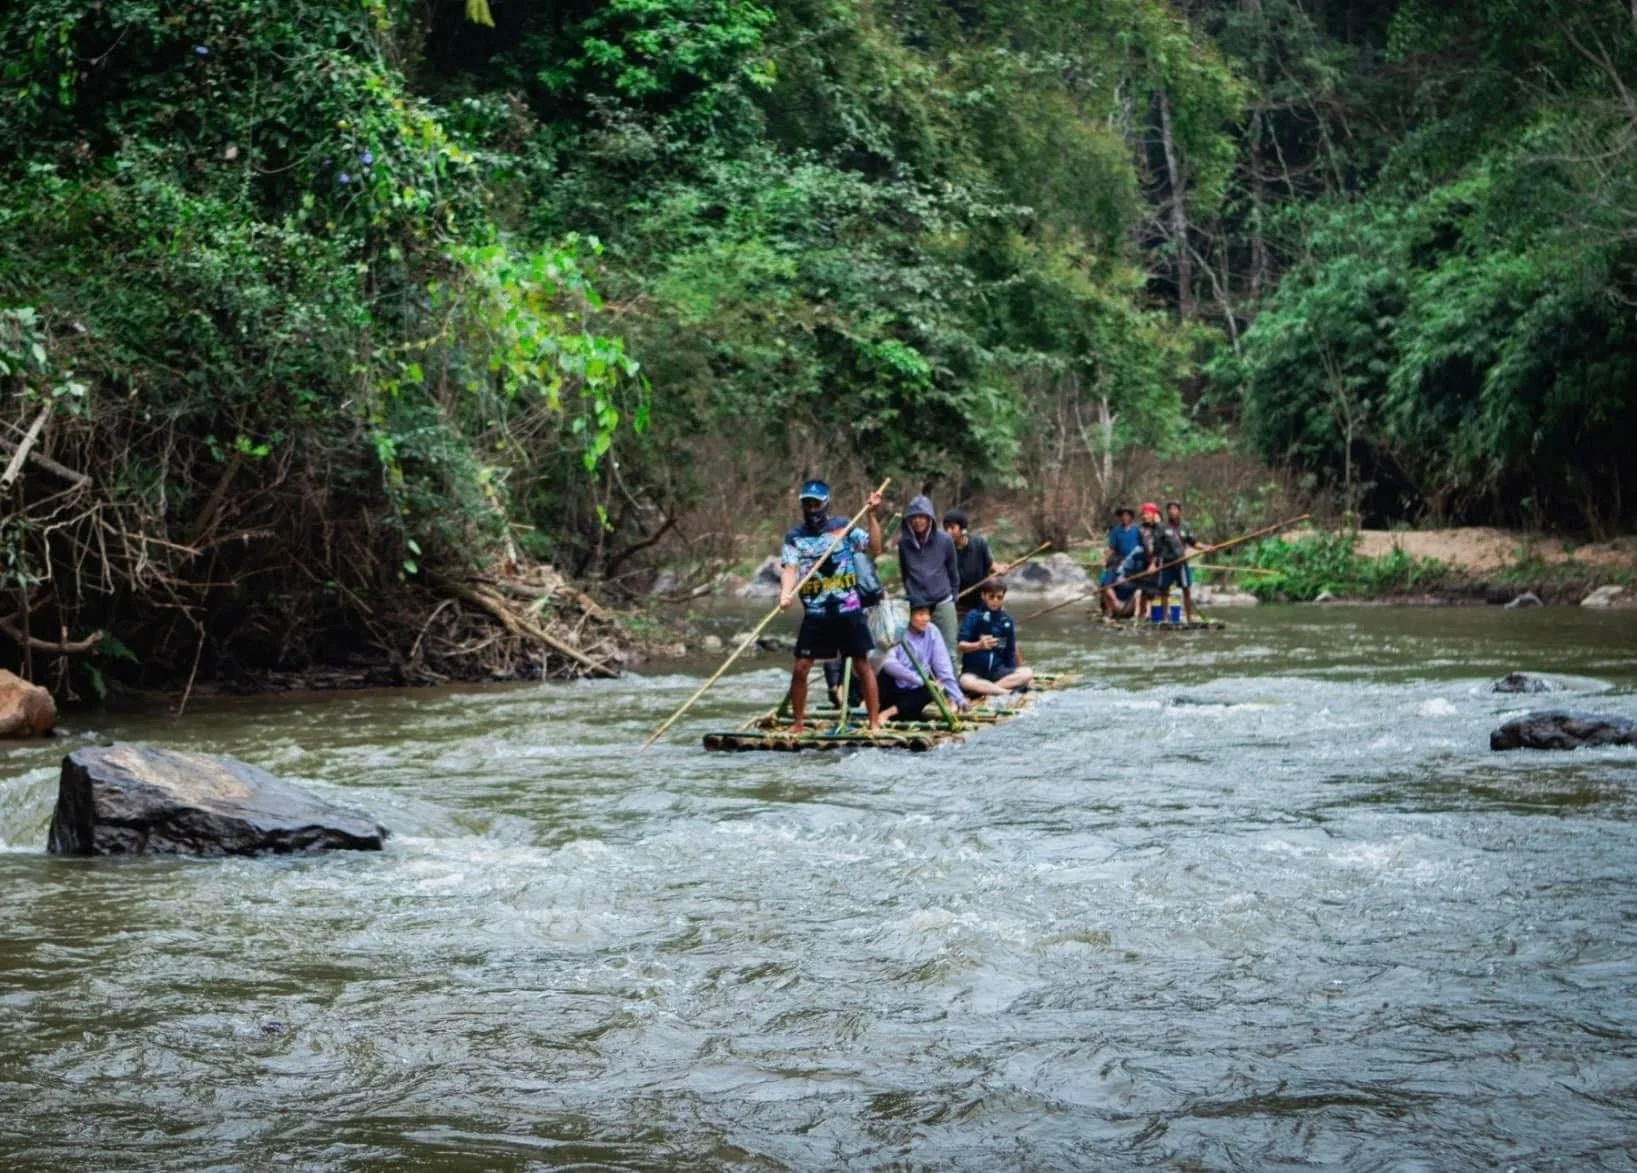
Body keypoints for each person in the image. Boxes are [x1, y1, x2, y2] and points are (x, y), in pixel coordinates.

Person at [778, 479, 884, 733]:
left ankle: (874, 722)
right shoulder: (795, 536)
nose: (812, 509)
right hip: (816, 613)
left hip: (848, 609)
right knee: (801, 667)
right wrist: (785, 593)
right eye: (807, 504)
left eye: (816, 504)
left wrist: (871, 515)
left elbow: (875, 548)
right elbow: (790, 568)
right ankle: (798, 723)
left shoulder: (843, 526)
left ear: (826, 504)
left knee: (861, 664)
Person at [876, 601, 968, 723]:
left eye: (927, 614)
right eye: (920, 614)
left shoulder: (932, 631)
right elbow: (889, 663)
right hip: (895, 686)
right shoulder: (896, 630)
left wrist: (958, 697)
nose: (926, 618)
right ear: (908, 616)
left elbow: (943, 668)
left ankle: (888, 713)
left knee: (933, 688)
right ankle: (876, 712)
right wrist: (917, 678)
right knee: (881, 673)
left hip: (915, 694)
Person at [897, 494, 960, 655]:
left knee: (949, 652)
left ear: (929, 518)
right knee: (919, 652)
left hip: (942, 601)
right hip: (917, 605)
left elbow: (953, 572)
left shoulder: (945, 540)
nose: (918, 521)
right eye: (914, 517)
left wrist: (952, 597)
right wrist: (911, 596)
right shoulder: (904, 544)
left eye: (922, 516)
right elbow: (905, 573)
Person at [957, 579, 1034, 696]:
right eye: (991, 597)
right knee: (965, 681)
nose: (995, 601)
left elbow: (1010, 651)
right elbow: (960, 646)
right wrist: (978, 645)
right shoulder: (972, 616)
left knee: (1027, 673)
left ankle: (986, 690)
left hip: (998, 672)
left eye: (999, 597)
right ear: (983, 596)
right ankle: (1006, 692)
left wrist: (1014, 672)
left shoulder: (1006, 620)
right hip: (974, 672)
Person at [1155, 500, 1206, 622]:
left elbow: (1193, 542)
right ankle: (1165, 618)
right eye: (1170, 509)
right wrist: (1155, 562)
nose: (1172, 511)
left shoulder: (1185, 526)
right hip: (1166, 563)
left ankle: (1189, 618)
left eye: (1175, 509)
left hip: (1181, 562)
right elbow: (1157, 547)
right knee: (1164, 590)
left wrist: (1205, 547)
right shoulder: (1162, 527)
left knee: (1186, 589)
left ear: (1179, 511)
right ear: (1167, 512)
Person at [942, 508, 995, 617]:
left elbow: (990, 566)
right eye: (946, 528)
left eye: (952, 528)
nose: (948, 532)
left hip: (980, 604)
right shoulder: (944, 550)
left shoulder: (979, 544)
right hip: (956, 607)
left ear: (962, 529)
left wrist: (1000, 569)